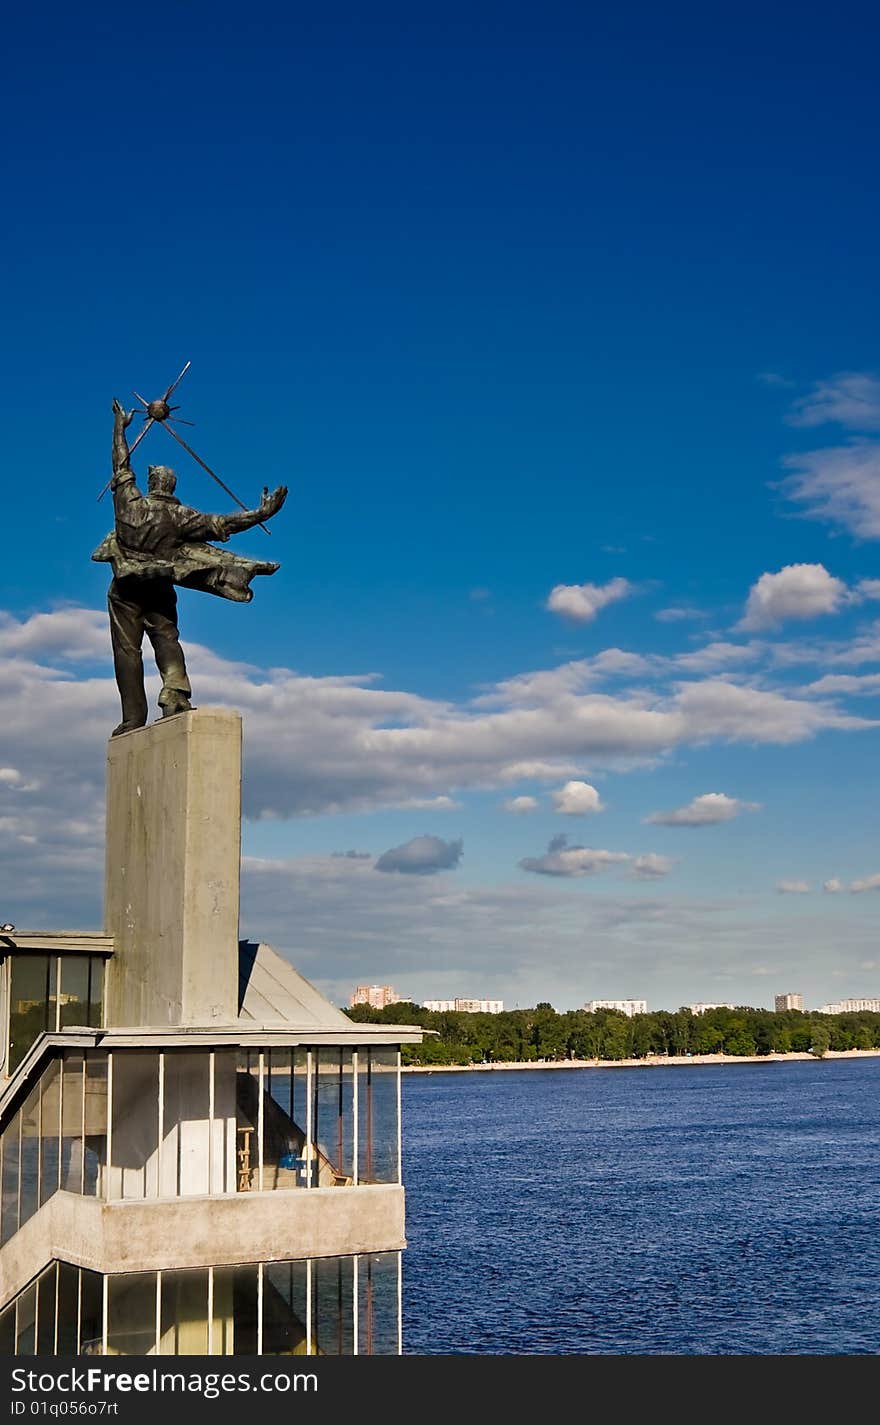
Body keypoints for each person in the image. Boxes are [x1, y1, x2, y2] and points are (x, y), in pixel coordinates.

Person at [93, 399, 288, 736]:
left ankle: (132, 718)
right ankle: (174, 695)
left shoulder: (129, 503)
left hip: (125, 588)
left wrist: (119, 428)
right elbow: (224, 523)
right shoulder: (182, 517)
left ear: (152, 485)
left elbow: (120, 463)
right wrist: (261, 514)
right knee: (167, 638)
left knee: (127, 650)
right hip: (158, 585)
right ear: (172, 488)